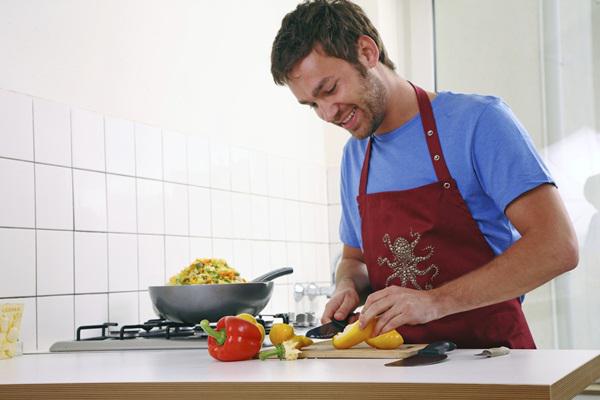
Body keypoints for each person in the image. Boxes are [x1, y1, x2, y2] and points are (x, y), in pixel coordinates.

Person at [271, 0, 578, 348]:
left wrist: (435, 302)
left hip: (493, 359)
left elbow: (557, 246)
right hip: (401, 363)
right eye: (313, 105)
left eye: (329, 90)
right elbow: (354, 259)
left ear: (367, 52)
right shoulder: (355, 156)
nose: (327, 114)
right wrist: (347, 285)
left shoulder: (478, 122)